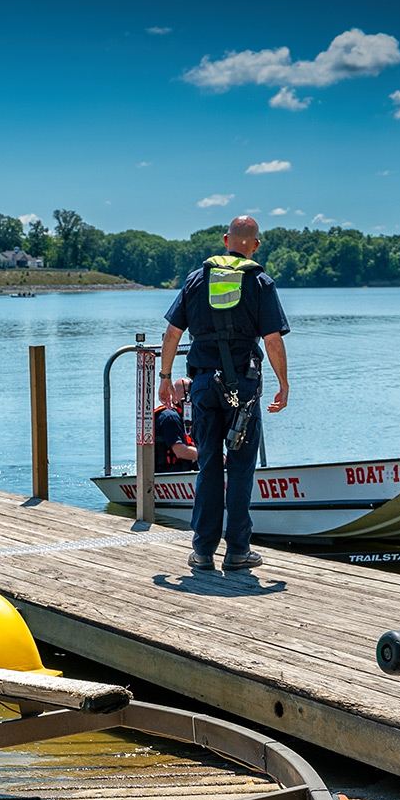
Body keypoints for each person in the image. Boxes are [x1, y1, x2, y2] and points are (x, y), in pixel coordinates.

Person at [160, 215, 289, 572]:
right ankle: (237, 552)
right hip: (243, 390)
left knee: (208, 465)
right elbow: (273, 340)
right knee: (242, 468)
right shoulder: (260, 282)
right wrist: (284, 383)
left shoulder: (196, 279)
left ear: (225, 240)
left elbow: (171, 334)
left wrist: (165, 378)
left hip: (202, 385)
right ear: (256, 245)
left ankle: (202, 551)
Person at [154, 376, 197, 474]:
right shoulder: (170, 417)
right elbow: (181, 452)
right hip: (168, 472)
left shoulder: (182, 416)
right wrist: (214, 457)